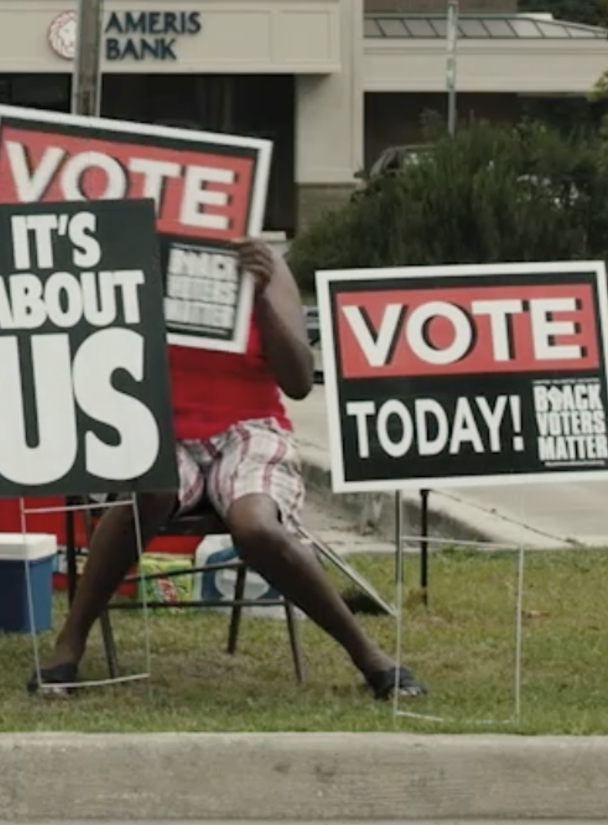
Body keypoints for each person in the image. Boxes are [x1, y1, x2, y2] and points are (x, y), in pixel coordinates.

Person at [30, 236, 426, 700]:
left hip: (247, 428)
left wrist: (257, 297)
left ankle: (369, 657)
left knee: (255, 525)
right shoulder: (124, 255)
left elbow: (298, 380)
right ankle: (69, 644)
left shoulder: (263, 263)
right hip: (153, 424)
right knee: (152, 491)